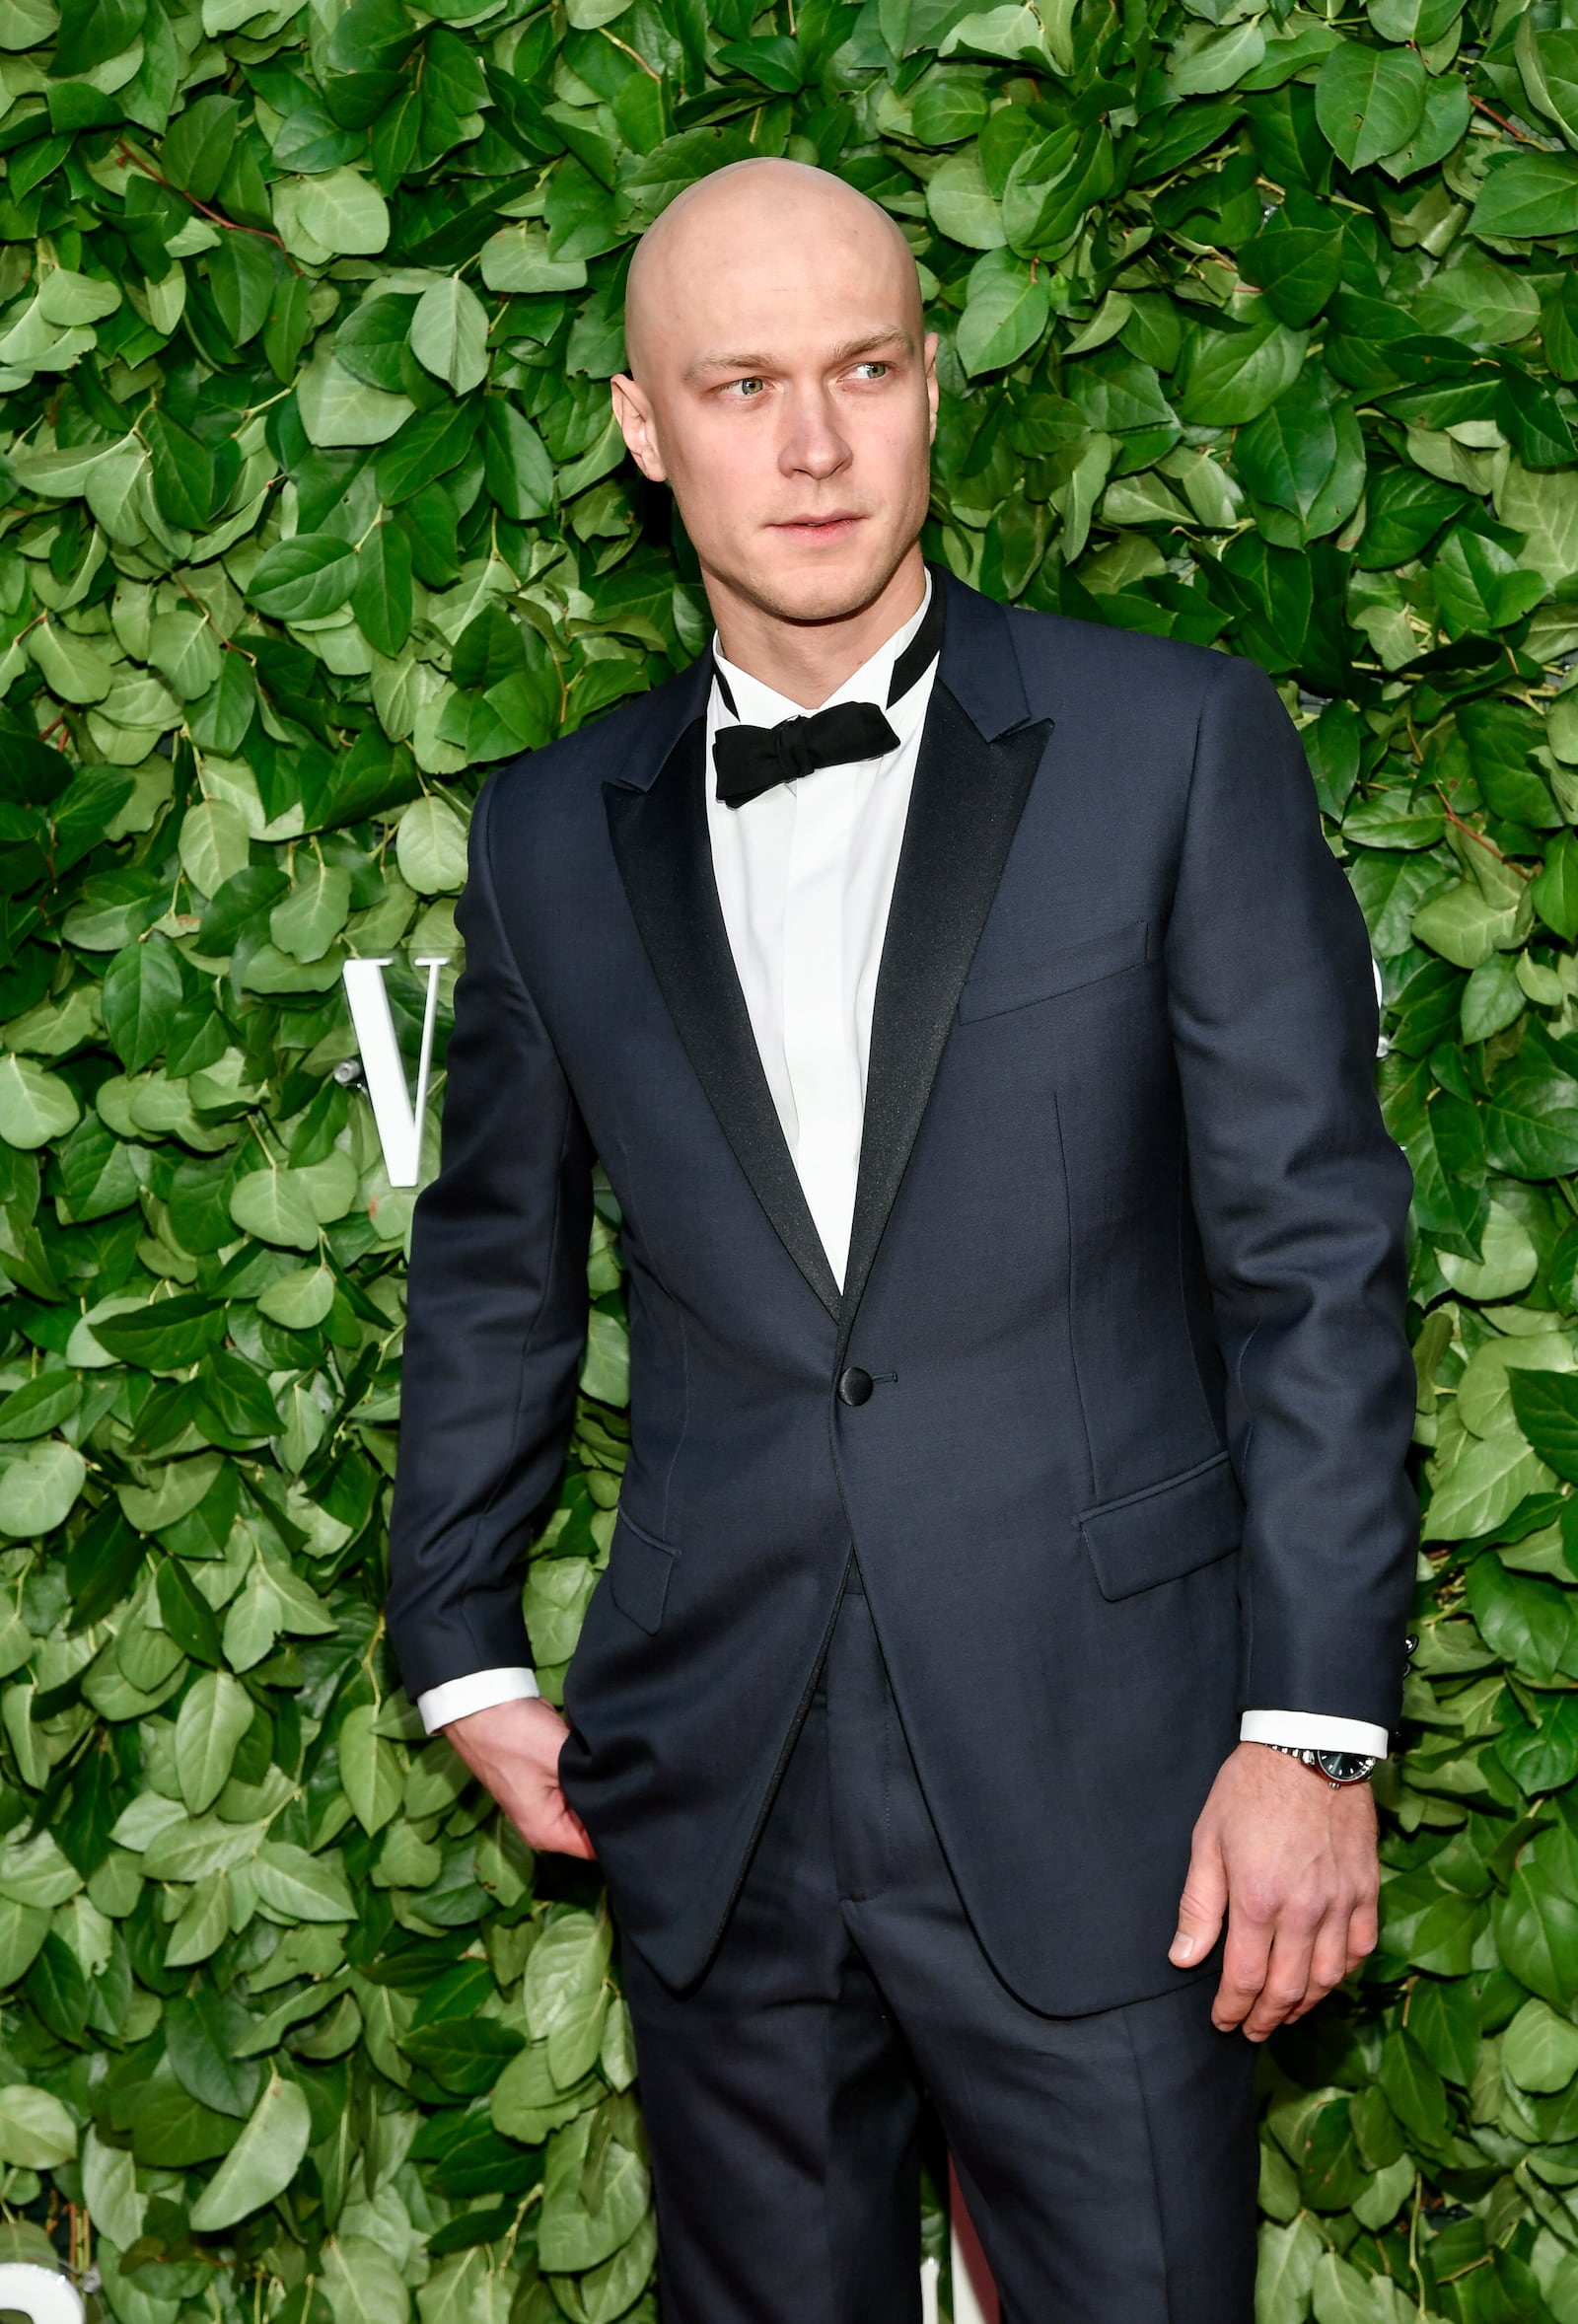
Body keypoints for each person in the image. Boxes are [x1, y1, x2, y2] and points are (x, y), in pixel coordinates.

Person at [385, 157, 1418, 2323]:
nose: (812, 442)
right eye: (738, 384)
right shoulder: (551, 828)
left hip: (1112, 1775)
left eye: (860, 367)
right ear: (640, 427)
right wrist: (462, 1640)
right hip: (716, 1774)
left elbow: (1307, 1261)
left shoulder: (1170, 743)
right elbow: (496, 1254)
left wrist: (1310, 1730)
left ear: (929, 383)